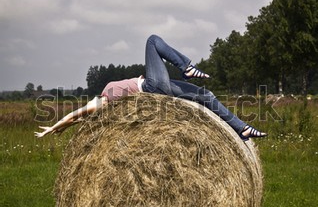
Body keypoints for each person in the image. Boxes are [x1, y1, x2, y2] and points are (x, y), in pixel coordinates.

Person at [35, 35, 267, 141]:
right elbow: (76, 114)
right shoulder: (103, 101)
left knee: (205, 95)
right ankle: (186, 66)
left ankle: (241, 128)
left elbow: (75, 119)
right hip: (152, 87)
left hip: (159, 91)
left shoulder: (107, 100)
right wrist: (54, 126)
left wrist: (60, 128)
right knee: (152, 41)